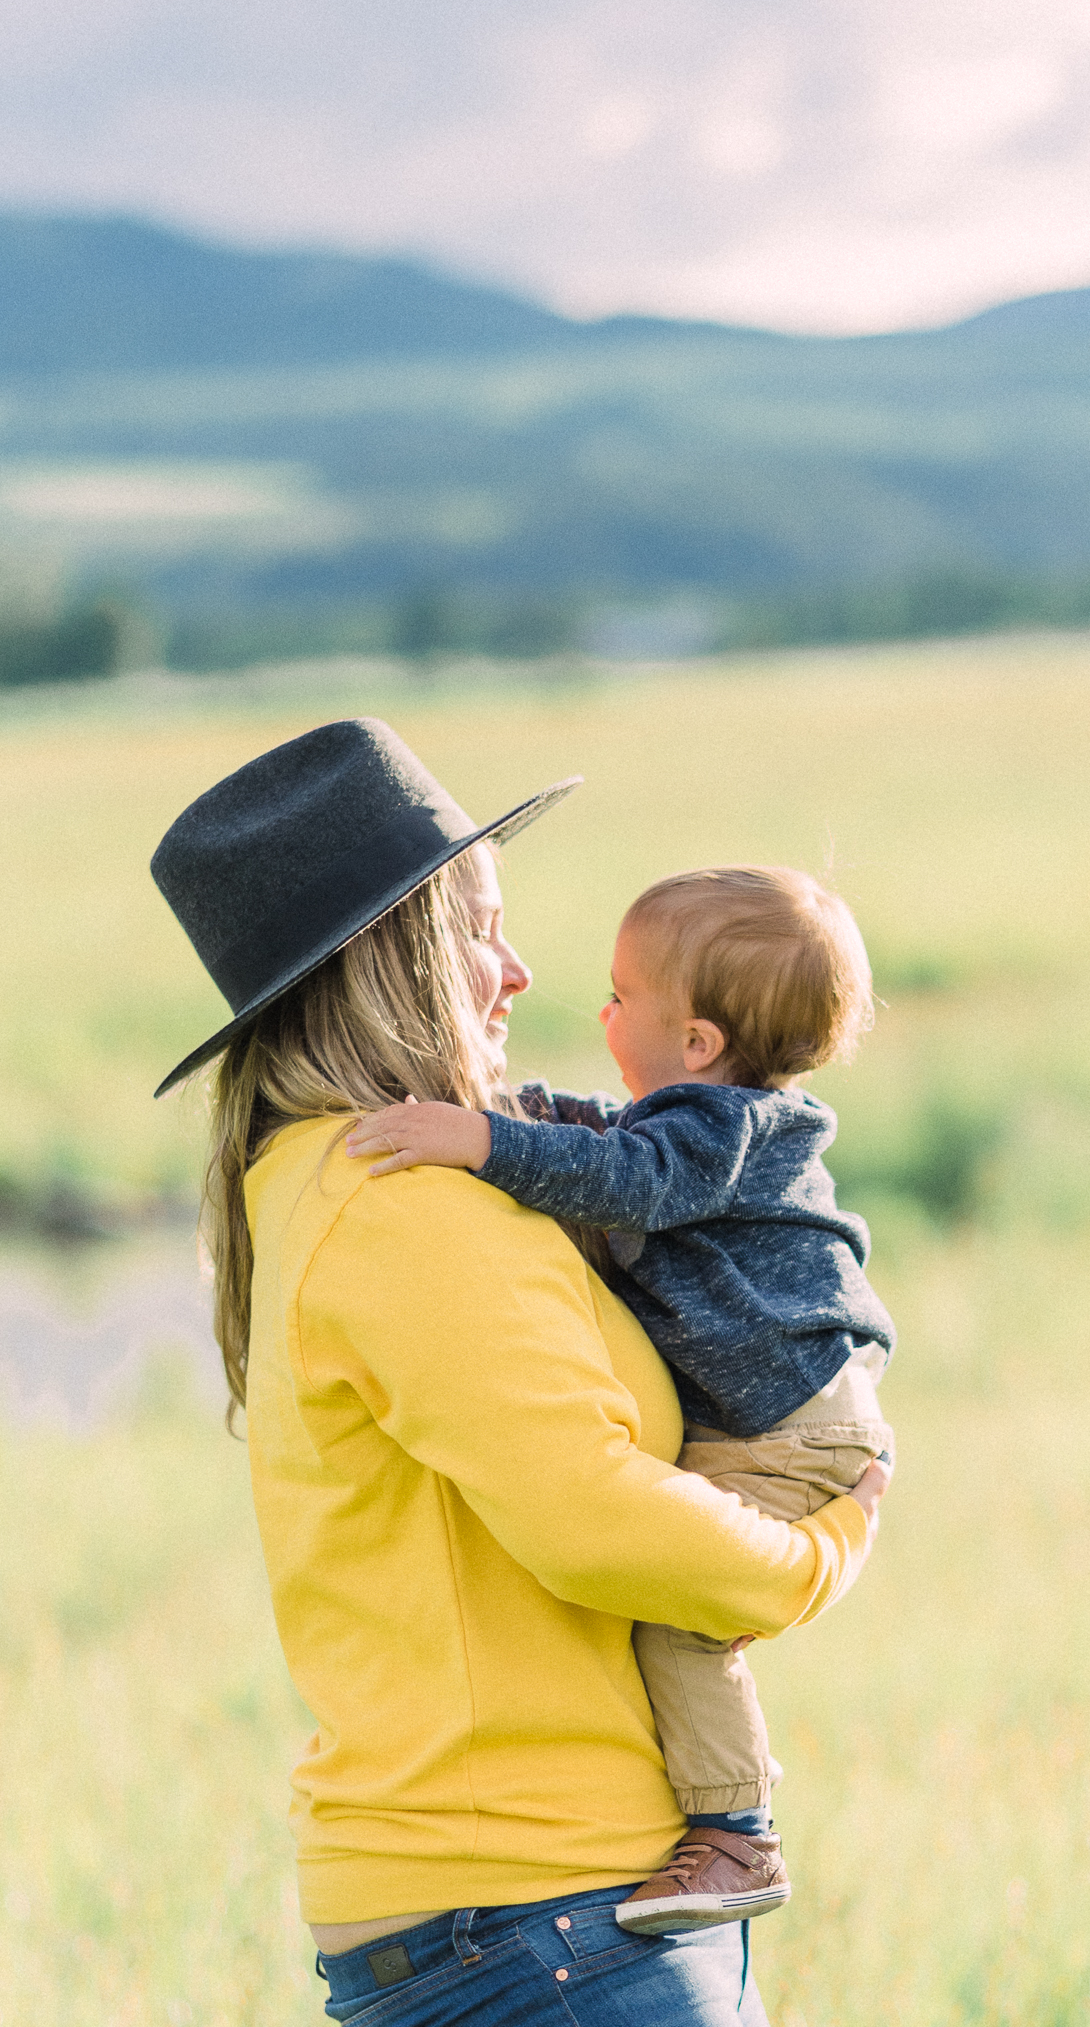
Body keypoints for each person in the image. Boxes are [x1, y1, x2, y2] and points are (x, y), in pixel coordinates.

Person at [149, 718, 889, 2027]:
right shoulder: (404, 1203)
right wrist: (819, 1548)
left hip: (518, 1909)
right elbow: (592, 1523)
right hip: (541, 1912)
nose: (516, 971)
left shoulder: (324, 1178)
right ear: (398, 963)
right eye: (478, 930)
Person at [348, 865, 896, 1937]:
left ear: (695, 1043)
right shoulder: (714, 1116)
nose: (595, 1010)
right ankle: (729, 1821)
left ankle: (736, 1829)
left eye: (617, 996)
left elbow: (626, 1176)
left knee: (682, 1615)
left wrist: (486, 1142)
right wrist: (516, 1112)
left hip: (786, 1423)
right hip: (796, 1406)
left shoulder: (715, 1132)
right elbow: (616, 1138)